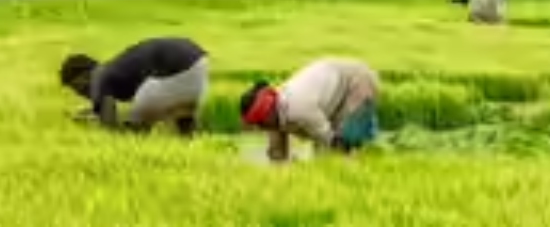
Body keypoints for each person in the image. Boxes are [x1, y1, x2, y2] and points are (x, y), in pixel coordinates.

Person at [58, 36, 210, 137]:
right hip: (198, 62)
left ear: (84, 75)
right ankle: (193, 132)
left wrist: (90, 123)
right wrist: (94, 113)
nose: (80, 94)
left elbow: (110, 127)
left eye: (77, 88)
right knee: (182, 125)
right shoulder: (114, 70)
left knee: (132, 135)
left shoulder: (99, 77)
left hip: (175, 67)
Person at [238, 57, 380, 163]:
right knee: (322, 157)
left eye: (260, 123)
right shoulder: (274, 115)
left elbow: (334, 142)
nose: (260, 128)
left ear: (267, 113)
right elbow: (277, 157)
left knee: (340, 148)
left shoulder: (298, 107)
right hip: (333, 92)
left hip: (357, 83)